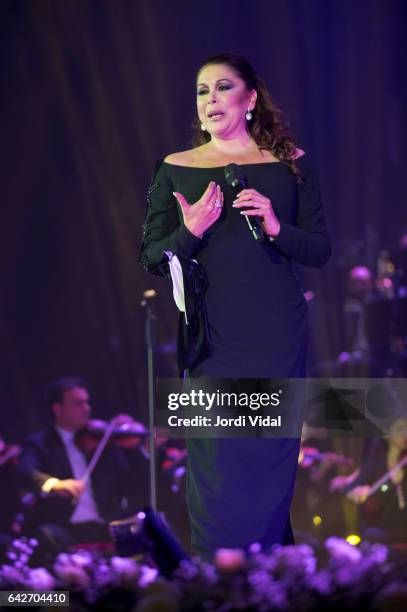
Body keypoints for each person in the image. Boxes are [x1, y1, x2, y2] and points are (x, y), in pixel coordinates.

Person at [139, 53, 331, 560]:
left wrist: (275, 226)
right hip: (212, 338)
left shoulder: (290, 164)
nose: (211, 100)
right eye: (203, 91)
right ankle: (218, 579)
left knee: (268, 464)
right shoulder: (176, 168)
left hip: (276, 334)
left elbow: (319, 249)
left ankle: (264, 578)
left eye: (223, 88)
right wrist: (191, 231)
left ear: (249, 100)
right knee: (218, 465)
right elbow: (152, 256)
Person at [18, 378, 148, 562]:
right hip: (63, 526)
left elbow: (131, 481)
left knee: (150, 529)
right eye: (78, 403)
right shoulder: (40, 443)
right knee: (45, 536)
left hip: (106, 524)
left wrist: (140, 450)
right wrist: (54, 484)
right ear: (58, 409)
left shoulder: (104, 440)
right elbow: (26, 471)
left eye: (87, 402)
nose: (86, 408)